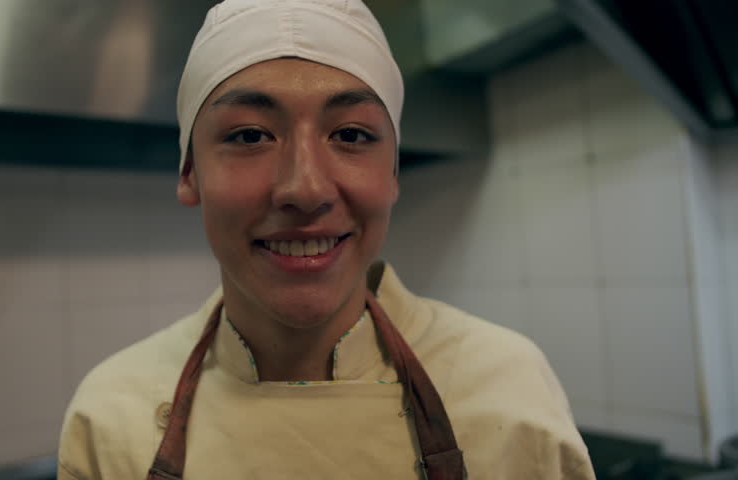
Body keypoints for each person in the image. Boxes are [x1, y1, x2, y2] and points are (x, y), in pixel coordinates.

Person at [57, 1, 596, 478]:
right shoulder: (110, 416)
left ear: (392, 175)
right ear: (189, 172)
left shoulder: (508, 388)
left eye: (351, 135)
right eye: (249, 135)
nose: (305, 188)